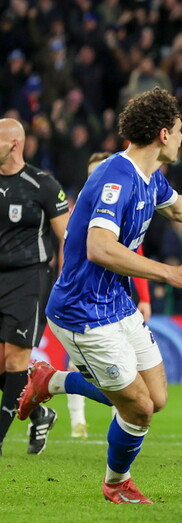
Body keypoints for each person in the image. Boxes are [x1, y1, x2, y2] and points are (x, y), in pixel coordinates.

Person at [17, 88, 182, 503]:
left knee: (157, 398)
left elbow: (181, 208)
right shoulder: (116, 177)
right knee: (138, 408)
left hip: (117, 303)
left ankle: (52, 380)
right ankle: (116, 482)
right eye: (180, 131)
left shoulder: (148, 176)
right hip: (83, 311)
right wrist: (170, 273)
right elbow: (100, 248)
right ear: (163, 134)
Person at [63, 153, 153, 440]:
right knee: (80, 365)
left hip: (116, 300)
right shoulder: (79, 213)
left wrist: (145, 297)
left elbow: (136, 254)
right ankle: (77, 421)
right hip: (80, 300)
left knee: (129, 372)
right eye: (93, 176)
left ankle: (119, 421)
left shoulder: (120, 209)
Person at [0, 117, 69, 456]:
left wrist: (66, 280)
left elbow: (67, 237)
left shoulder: (42, 184)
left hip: (29, 278)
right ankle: (40, 413)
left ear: (15, 144)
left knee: (16, 358)